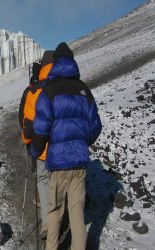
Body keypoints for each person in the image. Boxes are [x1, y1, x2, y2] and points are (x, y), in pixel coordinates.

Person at [30, 42, 102, 250]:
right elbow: (95, 126)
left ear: (55, 64)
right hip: (79, 163)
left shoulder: (49, 90)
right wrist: (82, 142)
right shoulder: (84, 89)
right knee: (77, 212)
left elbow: (41, 128)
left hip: (58, 163)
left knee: (54, 212)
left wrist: (36, 150)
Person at [18, 50, 54, 240]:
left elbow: (26, 119)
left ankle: (48, 223)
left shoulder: (34, 89)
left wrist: (26, 138)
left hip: (40, 147)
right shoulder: (63, 85)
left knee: (41, 179)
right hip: (61, 148)